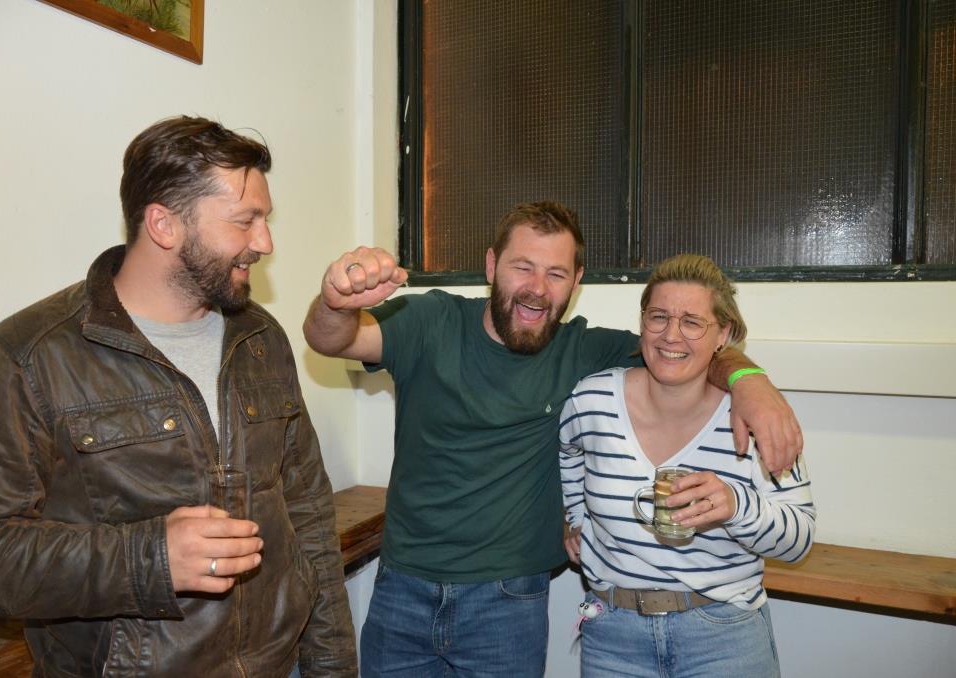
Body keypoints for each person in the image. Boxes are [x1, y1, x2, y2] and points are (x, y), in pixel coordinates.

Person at [0, 116, 357, 677]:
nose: (265, 243)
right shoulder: (31, 355)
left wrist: (333, 667)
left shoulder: (260, 338)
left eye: (265, 220)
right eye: (244, 221)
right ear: (163, 224)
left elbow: (308, 515)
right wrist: (147, 560)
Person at [302, 201, 802, 677]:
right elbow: (331, 338)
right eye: (523, 267)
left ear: (575, 282)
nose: (537, 289)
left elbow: (681, 348)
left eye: (556, 274)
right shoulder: (430, 321)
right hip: (402, 587)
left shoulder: (584, 350)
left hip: (508, 600)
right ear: (492, 265)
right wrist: (334, 303)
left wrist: (749, 379)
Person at [561, 253, 815, 677]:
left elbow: (799, 540)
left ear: (723, 334)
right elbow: (568, 451)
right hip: (612, 637)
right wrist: (575, 517)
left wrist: (736, 506)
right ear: (642, 322)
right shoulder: (592, 400)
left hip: (723, 637)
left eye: (693, 322)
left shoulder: (755, 418)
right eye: (658, 317)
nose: (671, 335)